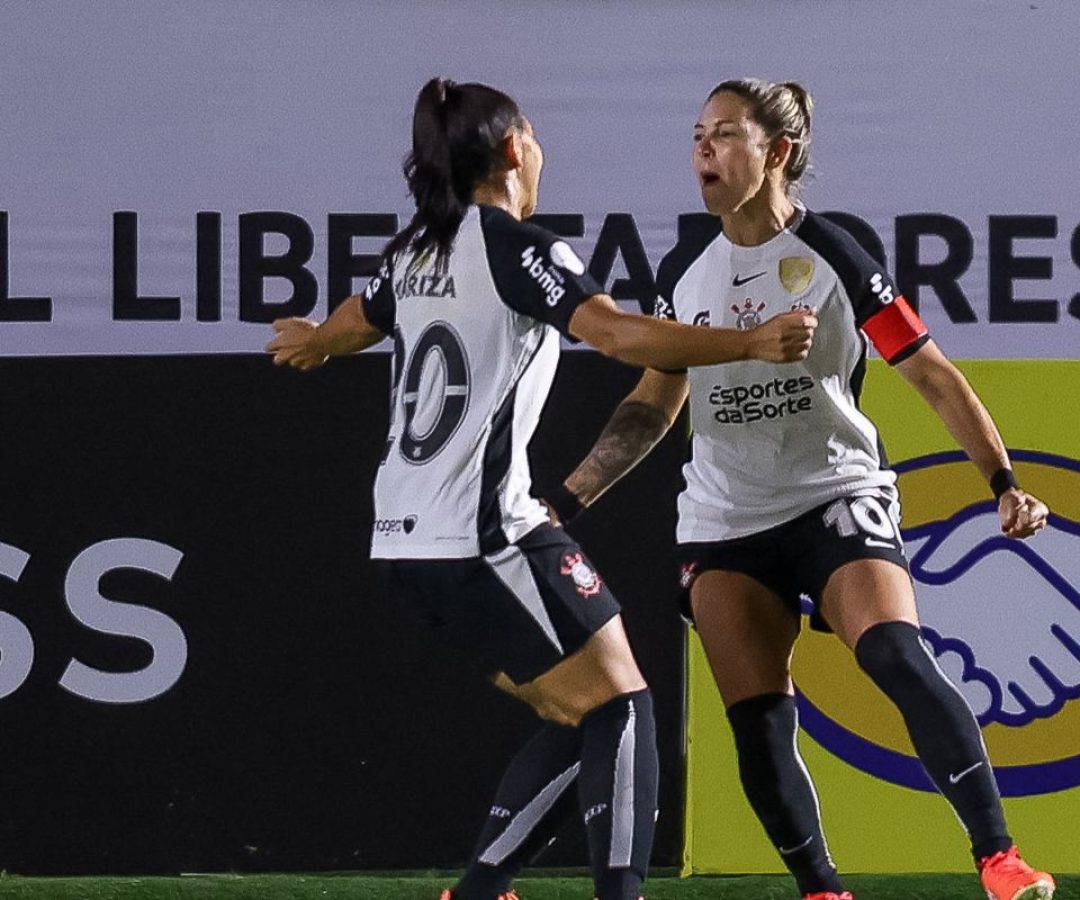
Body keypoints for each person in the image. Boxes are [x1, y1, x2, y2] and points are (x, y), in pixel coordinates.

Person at [266, 77, 817, 900]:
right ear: (515, 148)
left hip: (405, 545)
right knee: (624, 708)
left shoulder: (415, 251)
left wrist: (317, 341)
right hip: (487, 533)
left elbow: (358, 318)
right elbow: (618, 333)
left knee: (583, 711)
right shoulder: (516, 246)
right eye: (536, 136)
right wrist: (748, 341)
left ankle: (482, 889)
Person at [546, 78, 1056, 900]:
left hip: (833, 495)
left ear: (777, 152)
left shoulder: (838, 255)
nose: (703, 151)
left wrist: (1002, 480)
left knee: (893, 651)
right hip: (724, 520)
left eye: (725, 135)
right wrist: (565, 501)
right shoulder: (685, 268)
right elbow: (651, 403)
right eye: (698, 136)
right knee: (758, 718)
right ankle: (822, 889)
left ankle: (998, 857)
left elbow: (931, 375)